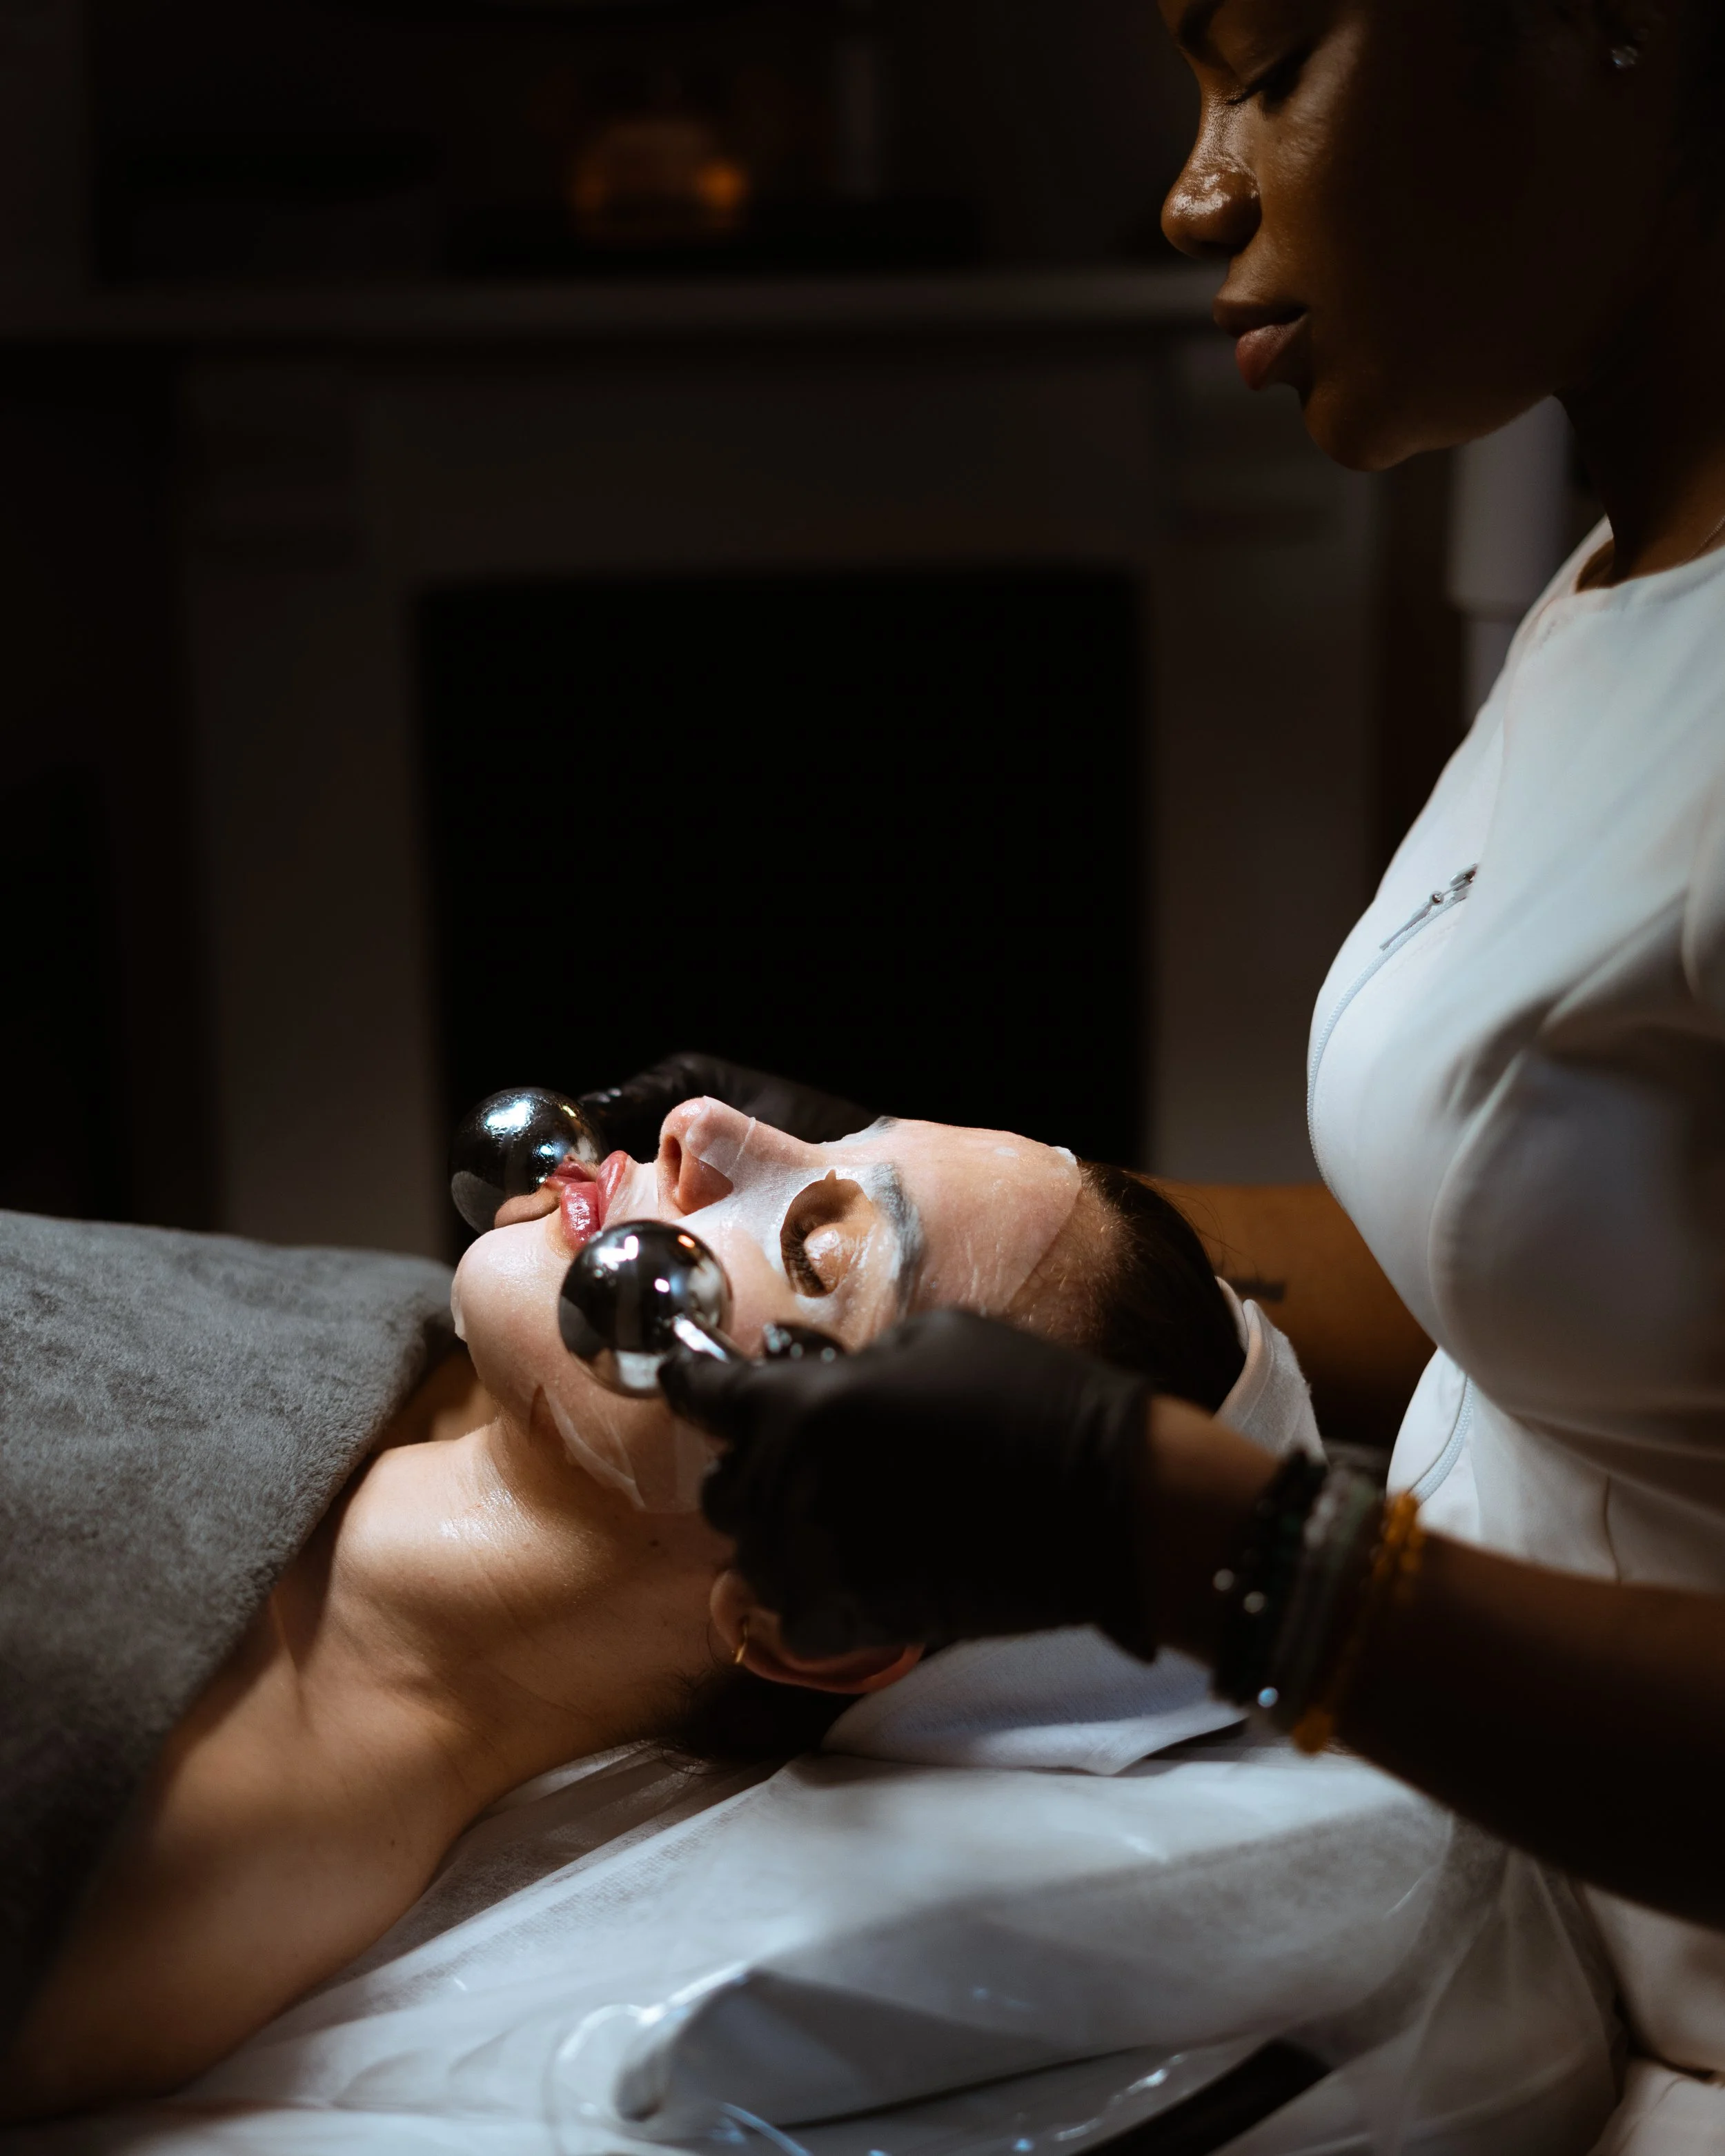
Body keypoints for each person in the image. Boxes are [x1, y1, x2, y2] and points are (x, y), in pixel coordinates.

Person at [644, 1, 1725, 2146]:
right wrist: (931, 1197)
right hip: (1544, 1942)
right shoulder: (1622, 580)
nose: (1191, 190)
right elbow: (1568, 1278)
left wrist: (1196, 1540)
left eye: (1263, 63)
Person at [0, 1102, 1241, 2124]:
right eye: (826, 1136)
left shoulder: (151, 1820)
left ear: (819, 1620)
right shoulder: (372, 1327)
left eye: (820, 1256)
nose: (702, 1126)